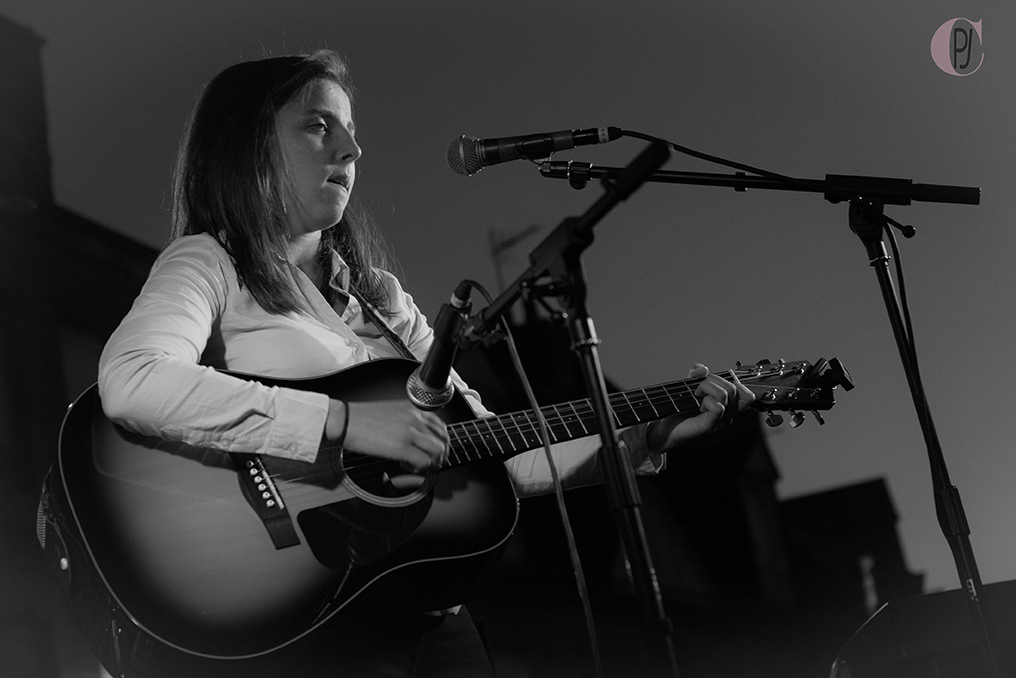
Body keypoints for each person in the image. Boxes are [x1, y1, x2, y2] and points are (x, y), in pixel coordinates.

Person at [97, 50, 754, 677]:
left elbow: (494, 454)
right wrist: (342, 423)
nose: (351, 150)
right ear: (248, 146)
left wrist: (645, 434)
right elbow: (132, 380)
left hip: (429, 615)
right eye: (319, 126)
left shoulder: (380, 298)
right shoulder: (210, 264)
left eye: (350, 130)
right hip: (313, 623)